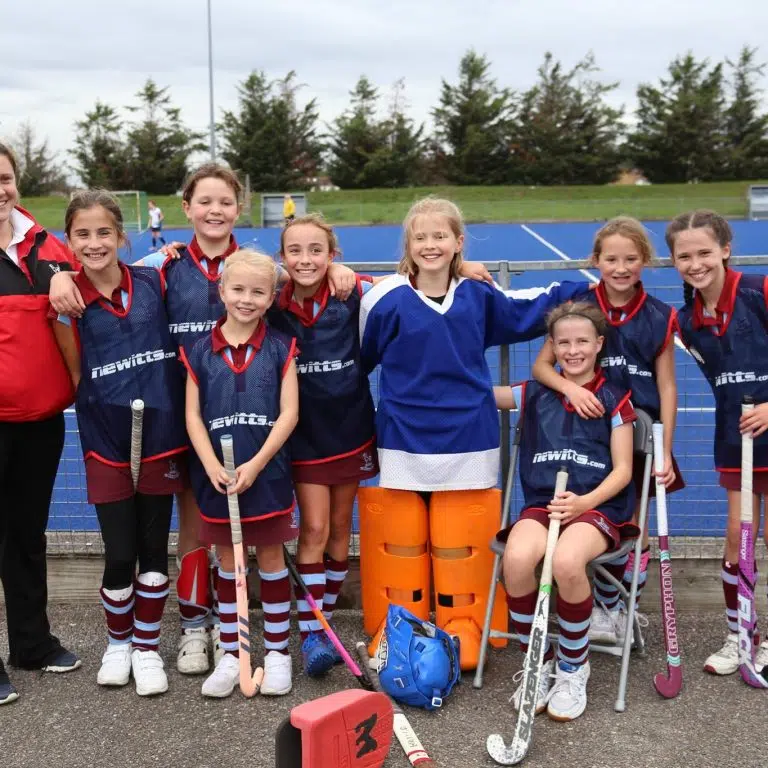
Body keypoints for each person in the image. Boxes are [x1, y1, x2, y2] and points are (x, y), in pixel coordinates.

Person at [50, 164, 354, 677]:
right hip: (181, 421)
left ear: (238, 207)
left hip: (247, 422)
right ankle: (196, 625)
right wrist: (58, 272)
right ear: (186, 207)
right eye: (204, 201)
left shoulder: (262, 272)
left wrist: (345, 273)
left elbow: (312, 277)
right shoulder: (160, 266)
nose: (215, 211)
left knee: (255, 537)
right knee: (194, 531)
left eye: (225, 202)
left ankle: (235, 633)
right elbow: (94, 270)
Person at [357, 196, 592, 670]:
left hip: (471, 435)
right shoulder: (382, 299)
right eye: (420, 237)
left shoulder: (479, 295)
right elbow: (360, 357)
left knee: (460, 536)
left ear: (458, 242)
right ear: (407, 244)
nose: (430, 245)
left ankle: (463, 621)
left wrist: (590, 285)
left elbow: (537, 305)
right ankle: (400, 621)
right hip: (404, 434)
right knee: (403, 535)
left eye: (440, 236)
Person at [52, 190, 188, 696]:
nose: (94, 243)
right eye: (83, 235)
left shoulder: (153, 279)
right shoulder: (65, 299)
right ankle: (118, 643)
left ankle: (149, 648)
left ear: (121, 235)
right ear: (68, 242)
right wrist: (57, 277)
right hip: (105, 439)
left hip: (161, 433)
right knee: (120, 549)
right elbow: (71, 372)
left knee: (155, 545)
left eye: (104, 232)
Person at [532, 215, 683, 642]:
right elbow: (542, 366)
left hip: (637, 436)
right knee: (595, 519)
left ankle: (621, 608)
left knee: (635, 527)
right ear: (596, 260)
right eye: (611, 258)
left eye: (631, 259)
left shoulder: (658, 315)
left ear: (645, 261)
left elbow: (667, 384)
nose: (621, 267)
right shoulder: (580, 304)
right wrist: (570, 389)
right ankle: (604, 606)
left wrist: (665, 447)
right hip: (586, 435)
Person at [496, 301, 636, 721]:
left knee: (567, 561)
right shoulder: (534, 391)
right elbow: (477, 396)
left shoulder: (615, 398)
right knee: (517, 560)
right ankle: (539, 660)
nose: (573, 350)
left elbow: (625, 470)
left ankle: (575, 667)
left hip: (595, 507)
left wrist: (586, 502)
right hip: (544, 504)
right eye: (563, 343)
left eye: (581, 342)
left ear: (598, 345)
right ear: (551, 348)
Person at [182, 249, 299, 698]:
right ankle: (233, 653)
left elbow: (289, 414)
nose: (246, 299)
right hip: (217, 480)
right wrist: (211, 464)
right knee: (230, 566)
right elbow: (192, 416)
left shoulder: (281, 347)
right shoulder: (199, 350)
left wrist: (256, 464)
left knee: (270, 562)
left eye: (258, 291)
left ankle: (277, 654)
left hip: (265, 476)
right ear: (221, 291)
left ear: (271, 298)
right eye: (238, 289)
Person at [266, 213, 378, 677]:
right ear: (282, 258)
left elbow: (410, 282)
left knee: (337, 530)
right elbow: (234, 279)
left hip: (351, 429)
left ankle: (325, 621)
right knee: (312, 530)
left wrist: (465, 269)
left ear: (334, 256)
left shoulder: (354, 292)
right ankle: (313, 631)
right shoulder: (272, 301)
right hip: (305, 435)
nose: (306, 259)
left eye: (317, 250)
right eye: (295, 250)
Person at [668, 209, 768, 676]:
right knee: (736, 540)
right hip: (735, 436)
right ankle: (740, 634)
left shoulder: (760, 292)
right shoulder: (687, 321)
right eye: (684, 255)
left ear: (726, 249)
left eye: (705, 252)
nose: (696, 263)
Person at [0, 142, 81, 706]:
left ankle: (30, 643)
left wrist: (64, 277)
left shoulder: (48, 247)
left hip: (41, 423)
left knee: (27, 535)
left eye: (4, 178)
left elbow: (104, 272)